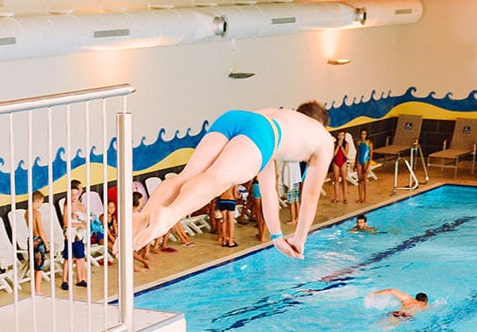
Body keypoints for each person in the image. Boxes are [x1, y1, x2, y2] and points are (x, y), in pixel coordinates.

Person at [131, 103, 336, 259]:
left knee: (186, 175)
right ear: (321, 124)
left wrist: (277, 236)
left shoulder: (283, 116)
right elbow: (310, 195)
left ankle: (142, 217)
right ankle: (169, 216)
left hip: (236, 118)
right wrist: (299, 240)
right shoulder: (324, 139)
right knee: (217, 178)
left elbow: (268, 190)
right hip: (262, 133)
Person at [61, 180, 91, 290]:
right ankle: (65, 280)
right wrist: (79, 223)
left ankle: (81, 279)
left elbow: (86, 221)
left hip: (80, 236)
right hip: (70, 236)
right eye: (72, 195)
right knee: (68, 258)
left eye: (76, 194)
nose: (74, 197)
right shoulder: (67, 206)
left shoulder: (81, 206)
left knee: (80, 257)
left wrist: (82, 223)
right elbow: (65, 223)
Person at [329, 132, 352, 203]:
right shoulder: (334, 144)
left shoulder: (346, 144)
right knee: (336, 180)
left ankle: (345, 197)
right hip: (336, 162)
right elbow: (333, 154)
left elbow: (345, 154)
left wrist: (341, 146)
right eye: (339, 135)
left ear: (344, 136)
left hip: (343, 162)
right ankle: (337, 197)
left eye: (342, 135)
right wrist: (338, 146)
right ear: (337, 136)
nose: (341, 137)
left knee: (344, 180)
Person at [356, 129, 373, 203]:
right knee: (359, 180)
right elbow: (357, 153)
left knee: (365, 180)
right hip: (359, 161)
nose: (363, 135)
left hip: (366, 161)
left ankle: (365, 197)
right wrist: (355, 164)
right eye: (362, 134)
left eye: (364, 134)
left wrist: (368, 165)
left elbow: (371, 155)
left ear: (366, 135)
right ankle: (360, 197)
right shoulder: (358, 142)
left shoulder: (369, 143)